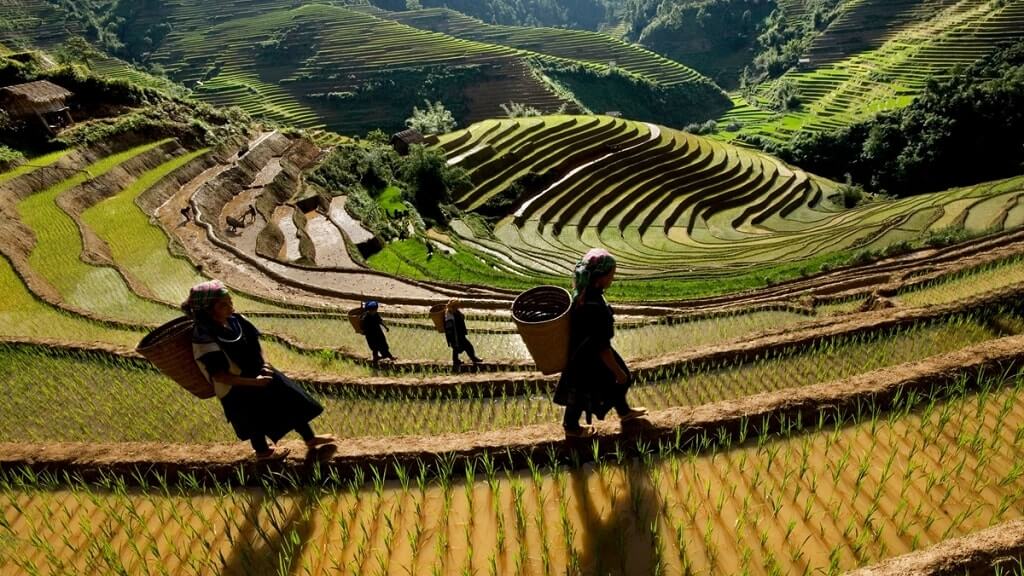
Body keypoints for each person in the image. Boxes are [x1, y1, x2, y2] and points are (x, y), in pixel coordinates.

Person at [184, 280, 335, 460]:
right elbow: (220, 376)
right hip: (237, 385)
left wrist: (265, 364)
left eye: (230, 300)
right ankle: (263, 452)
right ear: (208, 310)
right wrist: (254, 383)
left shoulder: (236, 321)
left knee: (291, 399)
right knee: (254, 419)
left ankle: (310, 438)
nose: (230, 305)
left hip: (260, 372)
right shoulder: (204, 336)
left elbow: (256, 343)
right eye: (223, 304)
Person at [553, 249, 647, 437]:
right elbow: (602, 347)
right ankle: (571, 427)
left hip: (585, 351)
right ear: (600, 278)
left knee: (611, 380)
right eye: (611, 274)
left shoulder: (585, 292)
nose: (613, 277)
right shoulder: (593, 305)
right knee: (581, 391)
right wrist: (617, 371)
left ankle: (624, 412)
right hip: (587, 355)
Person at [444, 298, 481, 370]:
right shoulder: (449, 316)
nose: (458, 306)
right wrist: (453, 338)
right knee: (468, 346)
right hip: (456, 335)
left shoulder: (455, 312)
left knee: (456, 348)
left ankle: (456, 360)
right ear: (454, 306)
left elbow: (461, 318)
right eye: (457, 305)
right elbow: (450, 329)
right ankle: (473, 358)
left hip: (459, 334)